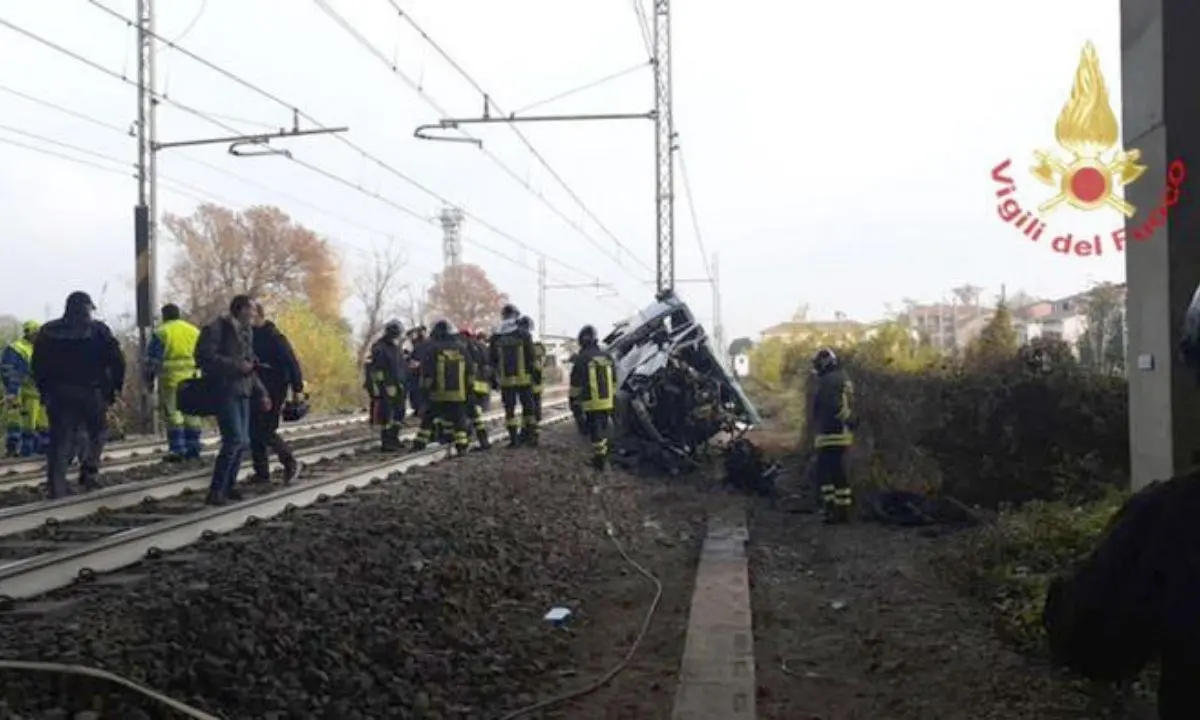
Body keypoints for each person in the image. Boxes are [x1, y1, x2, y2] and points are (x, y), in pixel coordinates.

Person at [31, 292, 125, 499]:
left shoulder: (48, 331)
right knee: (97, 433)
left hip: (58, 393)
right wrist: (115, 388)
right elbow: (117, 360)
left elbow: (37, 364)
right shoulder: (98, 330)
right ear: (88, 308)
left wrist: (44, 390)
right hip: (92, 392)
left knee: (61, 438)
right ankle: (89, 473)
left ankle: (56, 485)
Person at [194, 294, 269, 505]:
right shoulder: (217, 328)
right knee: (234, 439)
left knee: (243, 441)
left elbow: (250, 365)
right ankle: (216, 490)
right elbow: (204, 357)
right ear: (241, 309)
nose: (254, 315)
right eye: (251, 310)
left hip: (243, 390)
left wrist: (261, 392)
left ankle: (228, 485)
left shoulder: (247, 332)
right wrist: (236, 366)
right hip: (224, 390)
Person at [249, 303, 304, 483]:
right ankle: (261, 473)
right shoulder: (246, 336)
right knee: (253, 430)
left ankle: (290, 462)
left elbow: (291, 362)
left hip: (275, 387)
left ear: (259, 315)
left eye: (251, 315)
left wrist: (297, 389)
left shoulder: (274, 337)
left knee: (266, 429)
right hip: (254, 388)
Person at [144, 304, 203, 461]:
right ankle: (194, 448)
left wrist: (149, 380)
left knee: (174, 414)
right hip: (193, 378)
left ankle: (178, 450)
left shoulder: (161, 333)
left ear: (164, 316)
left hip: (171, 379)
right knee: (192, 413)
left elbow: (152, 360)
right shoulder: (194, 331)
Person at [412, 319, 472, 455]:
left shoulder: (432, 350)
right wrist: (469, 392)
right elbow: (470, 372)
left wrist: (424, 394)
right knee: (459, 421)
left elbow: (426, 373)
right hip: (458, 394)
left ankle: (419, 444)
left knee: (428, 420)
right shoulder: (461, 349)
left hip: (437, 394)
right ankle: (462, 447)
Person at [810, 347, 856, 524]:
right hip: (840, 434)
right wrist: (849, 422)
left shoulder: (829, 381)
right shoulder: (842, 377)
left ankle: (833, 511)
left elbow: (833, 406)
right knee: (836, 473)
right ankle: (840, 510)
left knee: (829, 474)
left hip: (830, 434)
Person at [489, 304, 538, 447]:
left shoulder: (496, 336)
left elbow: (492, 360)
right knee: (528, 409)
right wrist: (534, 376)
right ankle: (531, 437)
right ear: (516, 316)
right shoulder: (524, 334)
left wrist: (494, 379)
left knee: (509, 410)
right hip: (525, 380)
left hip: (506, 381)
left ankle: (513, 440)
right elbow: (531, 357)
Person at [570, 324, 616, 470]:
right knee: (603, 429)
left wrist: (574, 402)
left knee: (595, 432)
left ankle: (601, 461)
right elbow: (614, 379)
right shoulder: (607, 356)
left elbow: (575, 384)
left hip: (592, 402)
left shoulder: (582, 358)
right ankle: (602, 457)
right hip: (607, 400)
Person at [2, 321, 47, 457]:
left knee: (41, 426)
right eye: (36, 334)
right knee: (19, 424)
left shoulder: (40, 349)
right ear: (29, 333)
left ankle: (38, 452)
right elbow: (9, 373)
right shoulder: (16, 348)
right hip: (21, 394)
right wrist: (12, 392)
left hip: (39, 395)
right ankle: (17, 451)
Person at [365, 320, 408, 452]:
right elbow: (376, 370)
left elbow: (400, 367)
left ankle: (394, 438)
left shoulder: (396, 348)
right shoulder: (380, 348)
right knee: (387, 415)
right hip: (387, 387)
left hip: (399, 385)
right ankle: (387, 442)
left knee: (399, 414)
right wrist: (380, 388)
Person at [460, 327, 492, 450]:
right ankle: (483, 440)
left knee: (470, 413)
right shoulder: (482, 347)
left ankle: (470, 438)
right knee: (476, 414)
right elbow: (488, 365)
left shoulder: (464, 349)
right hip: (482, 386)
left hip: (471, 386)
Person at [517, 316, 547, 422]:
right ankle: (534, 422)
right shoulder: (537, 344)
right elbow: (541, 360)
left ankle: (531, 425)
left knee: (528, 404)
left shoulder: (524, 340)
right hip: (535, 377)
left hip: (528, 378)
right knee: (535, 401)